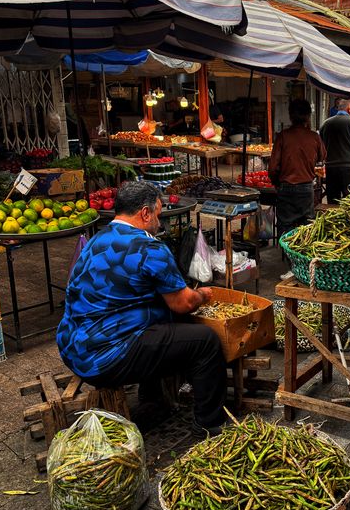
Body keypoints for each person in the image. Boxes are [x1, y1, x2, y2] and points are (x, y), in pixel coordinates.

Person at [57, 181, 227, 439]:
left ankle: (153, 399)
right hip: (104, 359)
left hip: (73, 349)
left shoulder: (96, 239)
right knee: (206, 342)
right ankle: (210, 425)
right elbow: (183, 302)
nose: (160, 222)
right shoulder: (150, 248)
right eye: (158, 215)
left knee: (160, 322)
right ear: (145, 213)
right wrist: (202, 295)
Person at [268, 98, 326, 237]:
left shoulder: (283, 136)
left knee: (285, 226)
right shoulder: (314, 137)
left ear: (290, 115)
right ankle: (302, 257)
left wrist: (277, 183)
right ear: (308, 116)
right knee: (306, 227)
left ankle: (287, 256)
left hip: (286, 187)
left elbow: (273, 168)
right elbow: (322, 156)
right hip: (306, 188)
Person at [320, 98, 350, 202]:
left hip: (331, 168)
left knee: (333, 201)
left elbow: (321, 146)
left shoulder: (325, 124)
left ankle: (333, 218)